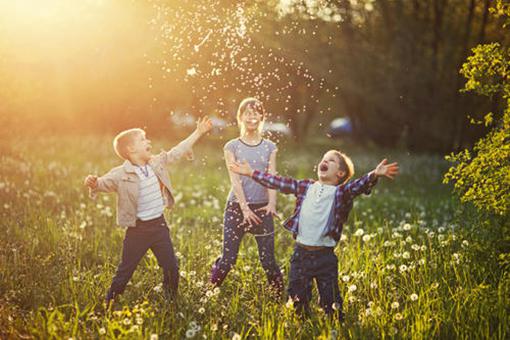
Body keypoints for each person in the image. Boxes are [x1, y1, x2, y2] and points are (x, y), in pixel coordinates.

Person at [229, 149, 399, 318]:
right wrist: (251, 172)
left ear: (340, 173)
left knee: (332, 303)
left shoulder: (341, 193)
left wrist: (374, 174)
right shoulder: (305, 187)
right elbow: (278, 182)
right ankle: (302, 325)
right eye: (323, 158)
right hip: (300, 255)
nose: (324, 161)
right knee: (297, 299)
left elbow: (357, 186)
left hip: (325, 257)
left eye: (331, 160)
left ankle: (335, 326)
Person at [84, 117, 212, 307]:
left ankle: (170, 300)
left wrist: (198, 132)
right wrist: (93, 182)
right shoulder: (121, 174)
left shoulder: (156, 163)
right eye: (143, 140)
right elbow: (103, 183)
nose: (148, 142)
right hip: (137, 231)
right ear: (131, 150)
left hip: (159, 226)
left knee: (171, 267)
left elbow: (178, 150)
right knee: (125, 270)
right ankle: (110, 300)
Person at [209, 98, 283, 297]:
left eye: (256, 112)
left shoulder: (270, 147)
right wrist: (245, 209)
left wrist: (272, 203)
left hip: (262, 208)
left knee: (268, 260)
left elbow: (272, 177)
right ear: (240, 117)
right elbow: (235, 180)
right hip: (236, 207)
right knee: (228, 260)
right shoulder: (231, 146)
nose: (252, 117)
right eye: (247, 113)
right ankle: (209, 291)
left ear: (262, 117)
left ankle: (281, 297)